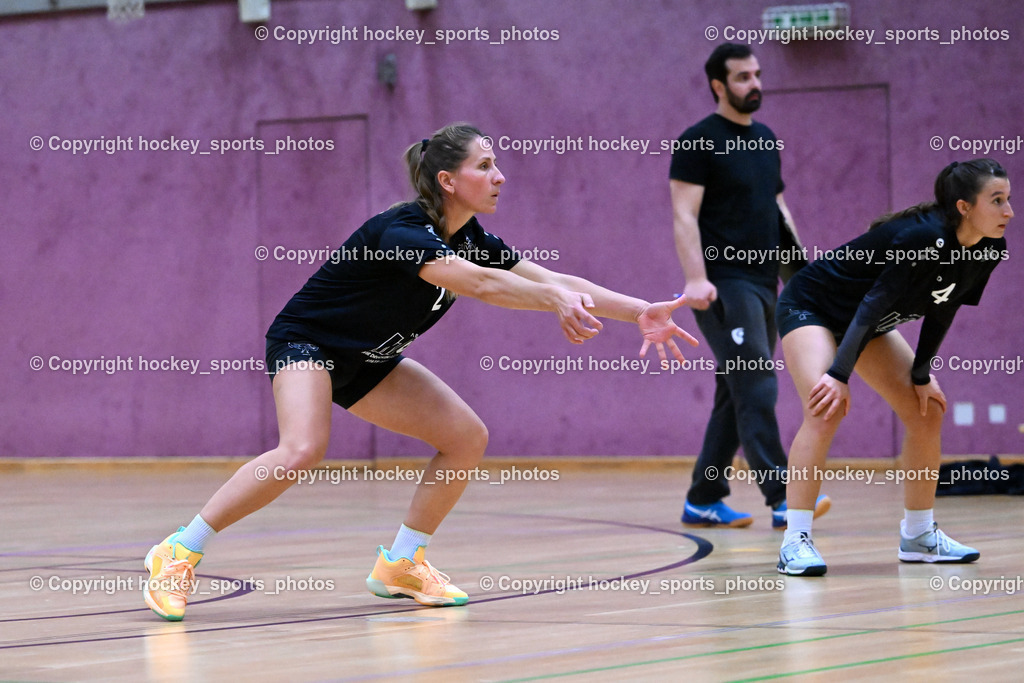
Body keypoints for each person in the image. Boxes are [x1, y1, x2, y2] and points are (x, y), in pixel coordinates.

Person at [143, 122, 699, 620]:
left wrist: (637, 311)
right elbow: (481, 284)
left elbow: (551, 278)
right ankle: (180, 550)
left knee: (465, 437)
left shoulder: (473, 237)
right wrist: (551, 300)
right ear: (448, 180)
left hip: (371, 357)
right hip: (308, 342)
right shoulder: (402, 231)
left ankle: (402, 563)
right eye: (485, 166)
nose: (500, 176)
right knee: (302, 450)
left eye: (496, 164)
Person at [776, 158, 1012, 576]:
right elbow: (872, 304)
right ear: (963, 206)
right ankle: (795, 539)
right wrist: (838, 374)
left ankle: (919, 536)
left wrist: (921, 375)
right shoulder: (921, 237)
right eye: (997, 201)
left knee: (928, 409)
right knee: (824, 406)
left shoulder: (989, 248)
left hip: (867, 321)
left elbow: (946, 306)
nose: (1008, 212)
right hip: (812, 306)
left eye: (1008, 200)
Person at [669, 42, 828, 529]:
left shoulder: (765, 139)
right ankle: (783, 496)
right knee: (757, 379)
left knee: (734, 390)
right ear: (719, 85)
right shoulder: (698, 141)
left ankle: (703, 496)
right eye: (742, 77)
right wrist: (696, 278)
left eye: (757, 75)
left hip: (765, 284)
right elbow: (683, 215)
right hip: (723, 285)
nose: (754, 84)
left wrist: (802, 279)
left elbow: (778, 213)